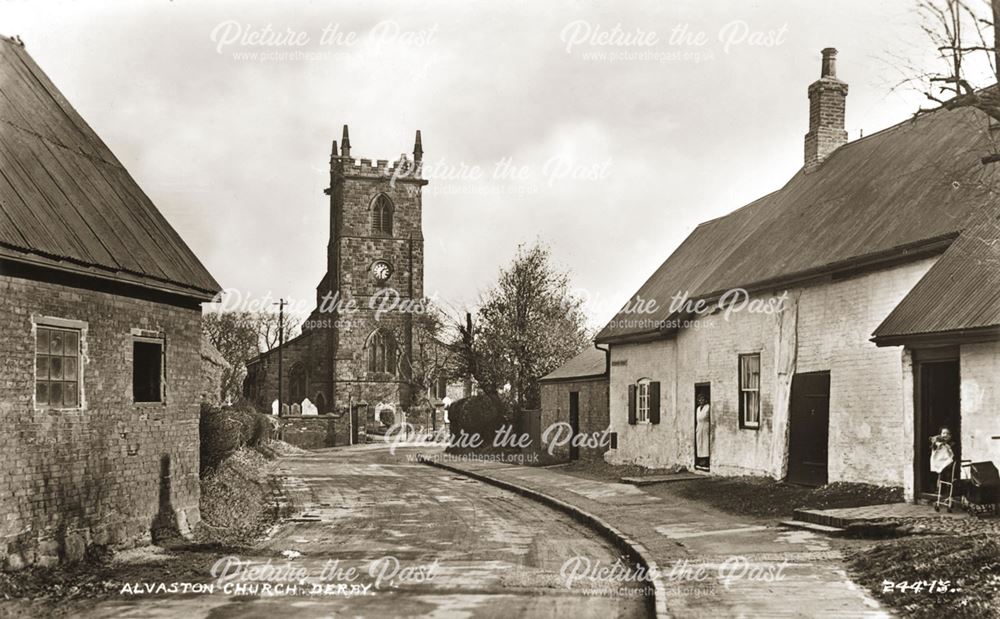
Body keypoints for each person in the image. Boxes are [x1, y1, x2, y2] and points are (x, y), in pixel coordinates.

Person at [695, 393, 711, 470]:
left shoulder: (708, 407)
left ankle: (706, 462)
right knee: (699, 444)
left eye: (703, 399)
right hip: (699, 426)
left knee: (705, 444)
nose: (701, 401)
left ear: (705, 400)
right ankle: (700, 461)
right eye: (700, 399)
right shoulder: (698, 409)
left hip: (705, 426)